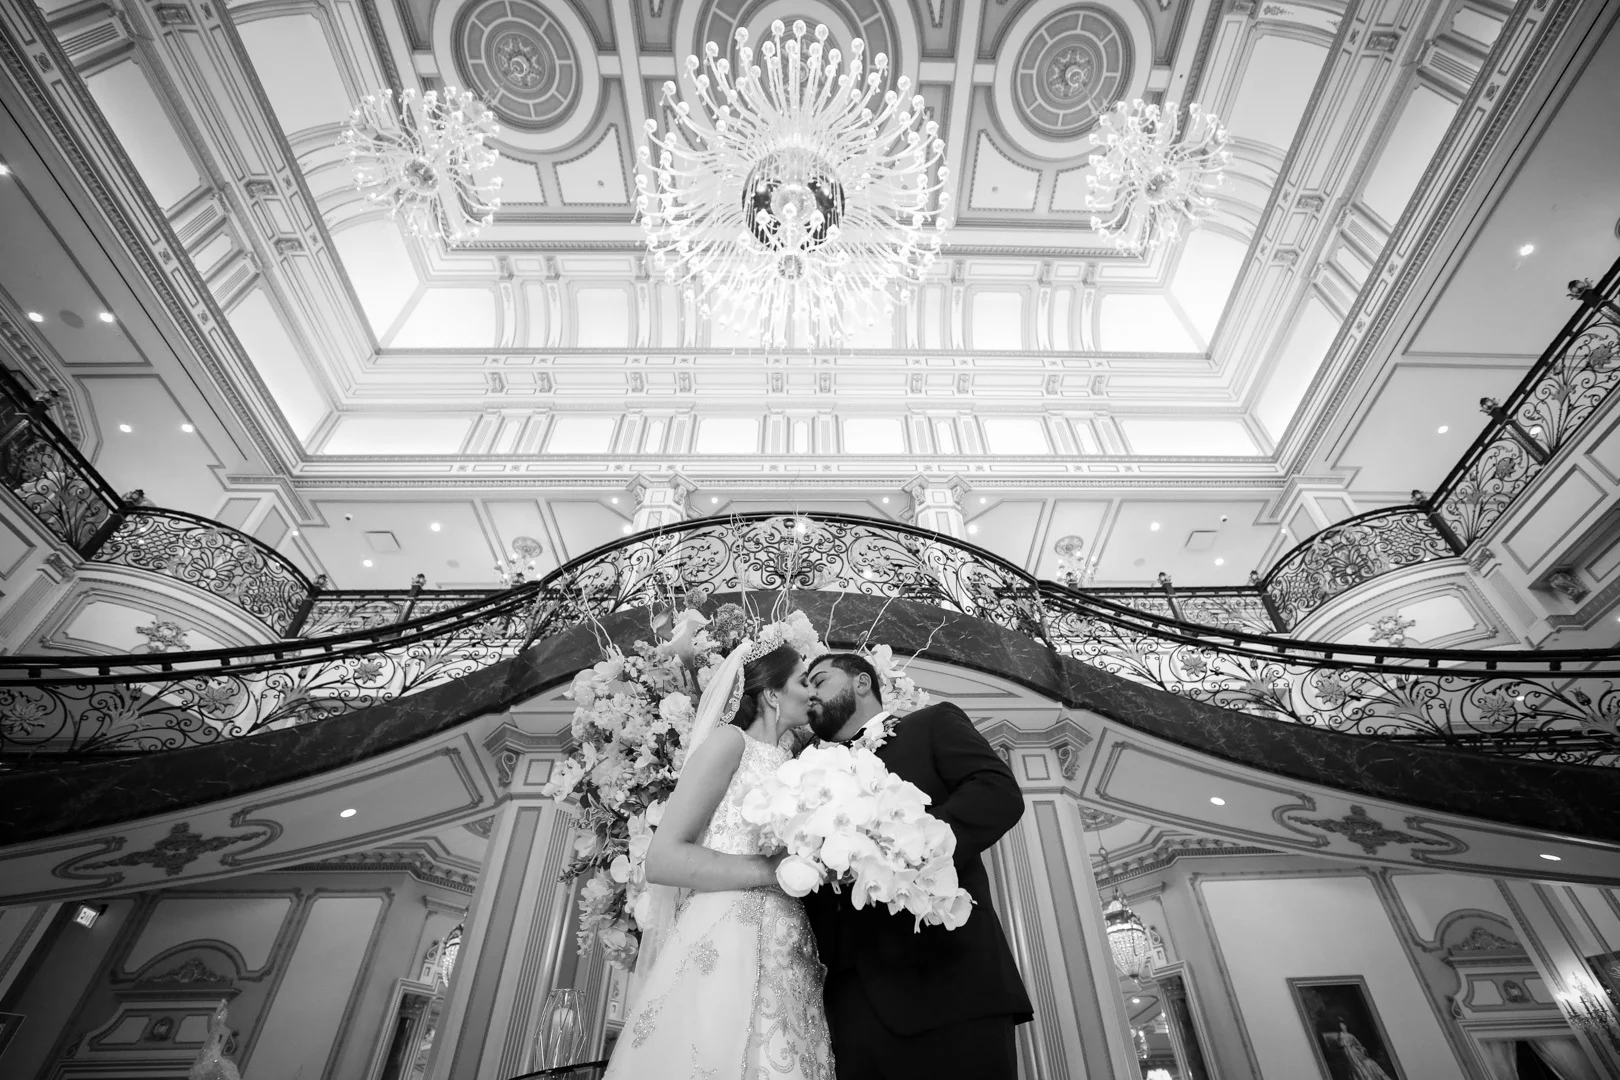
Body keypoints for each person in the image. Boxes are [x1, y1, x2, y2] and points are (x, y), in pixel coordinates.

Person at [605, 640, 834, 1080]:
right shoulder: (731, 742)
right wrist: (776, 871)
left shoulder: (800, 763)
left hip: (791, 941)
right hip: (727, 934)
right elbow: (663, 859)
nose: (813, 693)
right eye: (804, 681)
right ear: (772, 693)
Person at [804, 652, 1033, 1080]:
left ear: (861, 682)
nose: (810, 694)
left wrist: (908, 846)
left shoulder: (931, 724)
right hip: (852, 1008)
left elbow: (997, 792)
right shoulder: (807, 772)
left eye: (819, 680)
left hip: (951, 986)